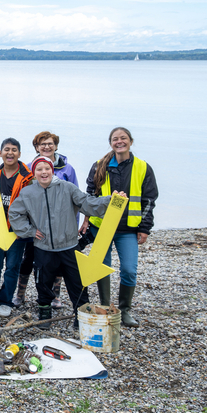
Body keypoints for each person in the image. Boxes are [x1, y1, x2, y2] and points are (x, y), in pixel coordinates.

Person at [9, 156, 123, 328]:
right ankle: (44, 314)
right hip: (43, 247)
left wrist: (110, 200)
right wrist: (30, 231)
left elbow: (87, 203)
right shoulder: (28, 192)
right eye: (39, 169)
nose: (43, 172)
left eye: (46, 169)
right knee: (43, 282)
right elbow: (15, 213)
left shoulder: (67, 188)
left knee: (77, 283)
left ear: (52, 170)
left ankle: (81, 316)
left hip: (69, 246)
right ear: (34, 173)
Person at [81, 127, 158, 327]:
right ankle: (106, 307)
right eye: (115, 139)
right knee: (101, 268)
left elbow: (149, 200)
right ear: (111, 143)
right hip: (102, 226)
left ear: (130, 141)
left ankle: (124, 311)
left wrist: (145, 228)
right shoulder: (99, 166)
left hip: (128, 229)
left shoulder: (142, 167)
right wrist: (86, 219)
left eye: (123, 138)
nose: (119, 142)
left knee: (129, 270)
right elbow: (89, 196)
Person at [20, 131, 79, 309]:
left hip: (62, 229)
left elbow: (77, 199)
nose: (46, 146)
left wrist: (75, 225)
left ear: (56, 145)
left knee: (59, 263)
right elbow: (22, 196)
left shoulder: (67, 169)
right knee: (28, 260)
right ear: (36, 147)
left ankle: (56, 296)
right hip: (36, 228)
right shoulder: (28, 167)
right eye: (42, 144)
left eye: (50, 143)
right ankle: (20, 294)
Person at [0, 138, 33, 318]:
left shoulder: (27, 176)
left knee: (12, 267)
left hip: (16, 230)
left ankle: (6, 300)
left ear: (19, 154)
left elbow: (32, 206)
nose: (10, 153)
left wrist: (25, 229)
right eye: (6, 150)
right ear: (0, 153)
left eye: (14, 150)